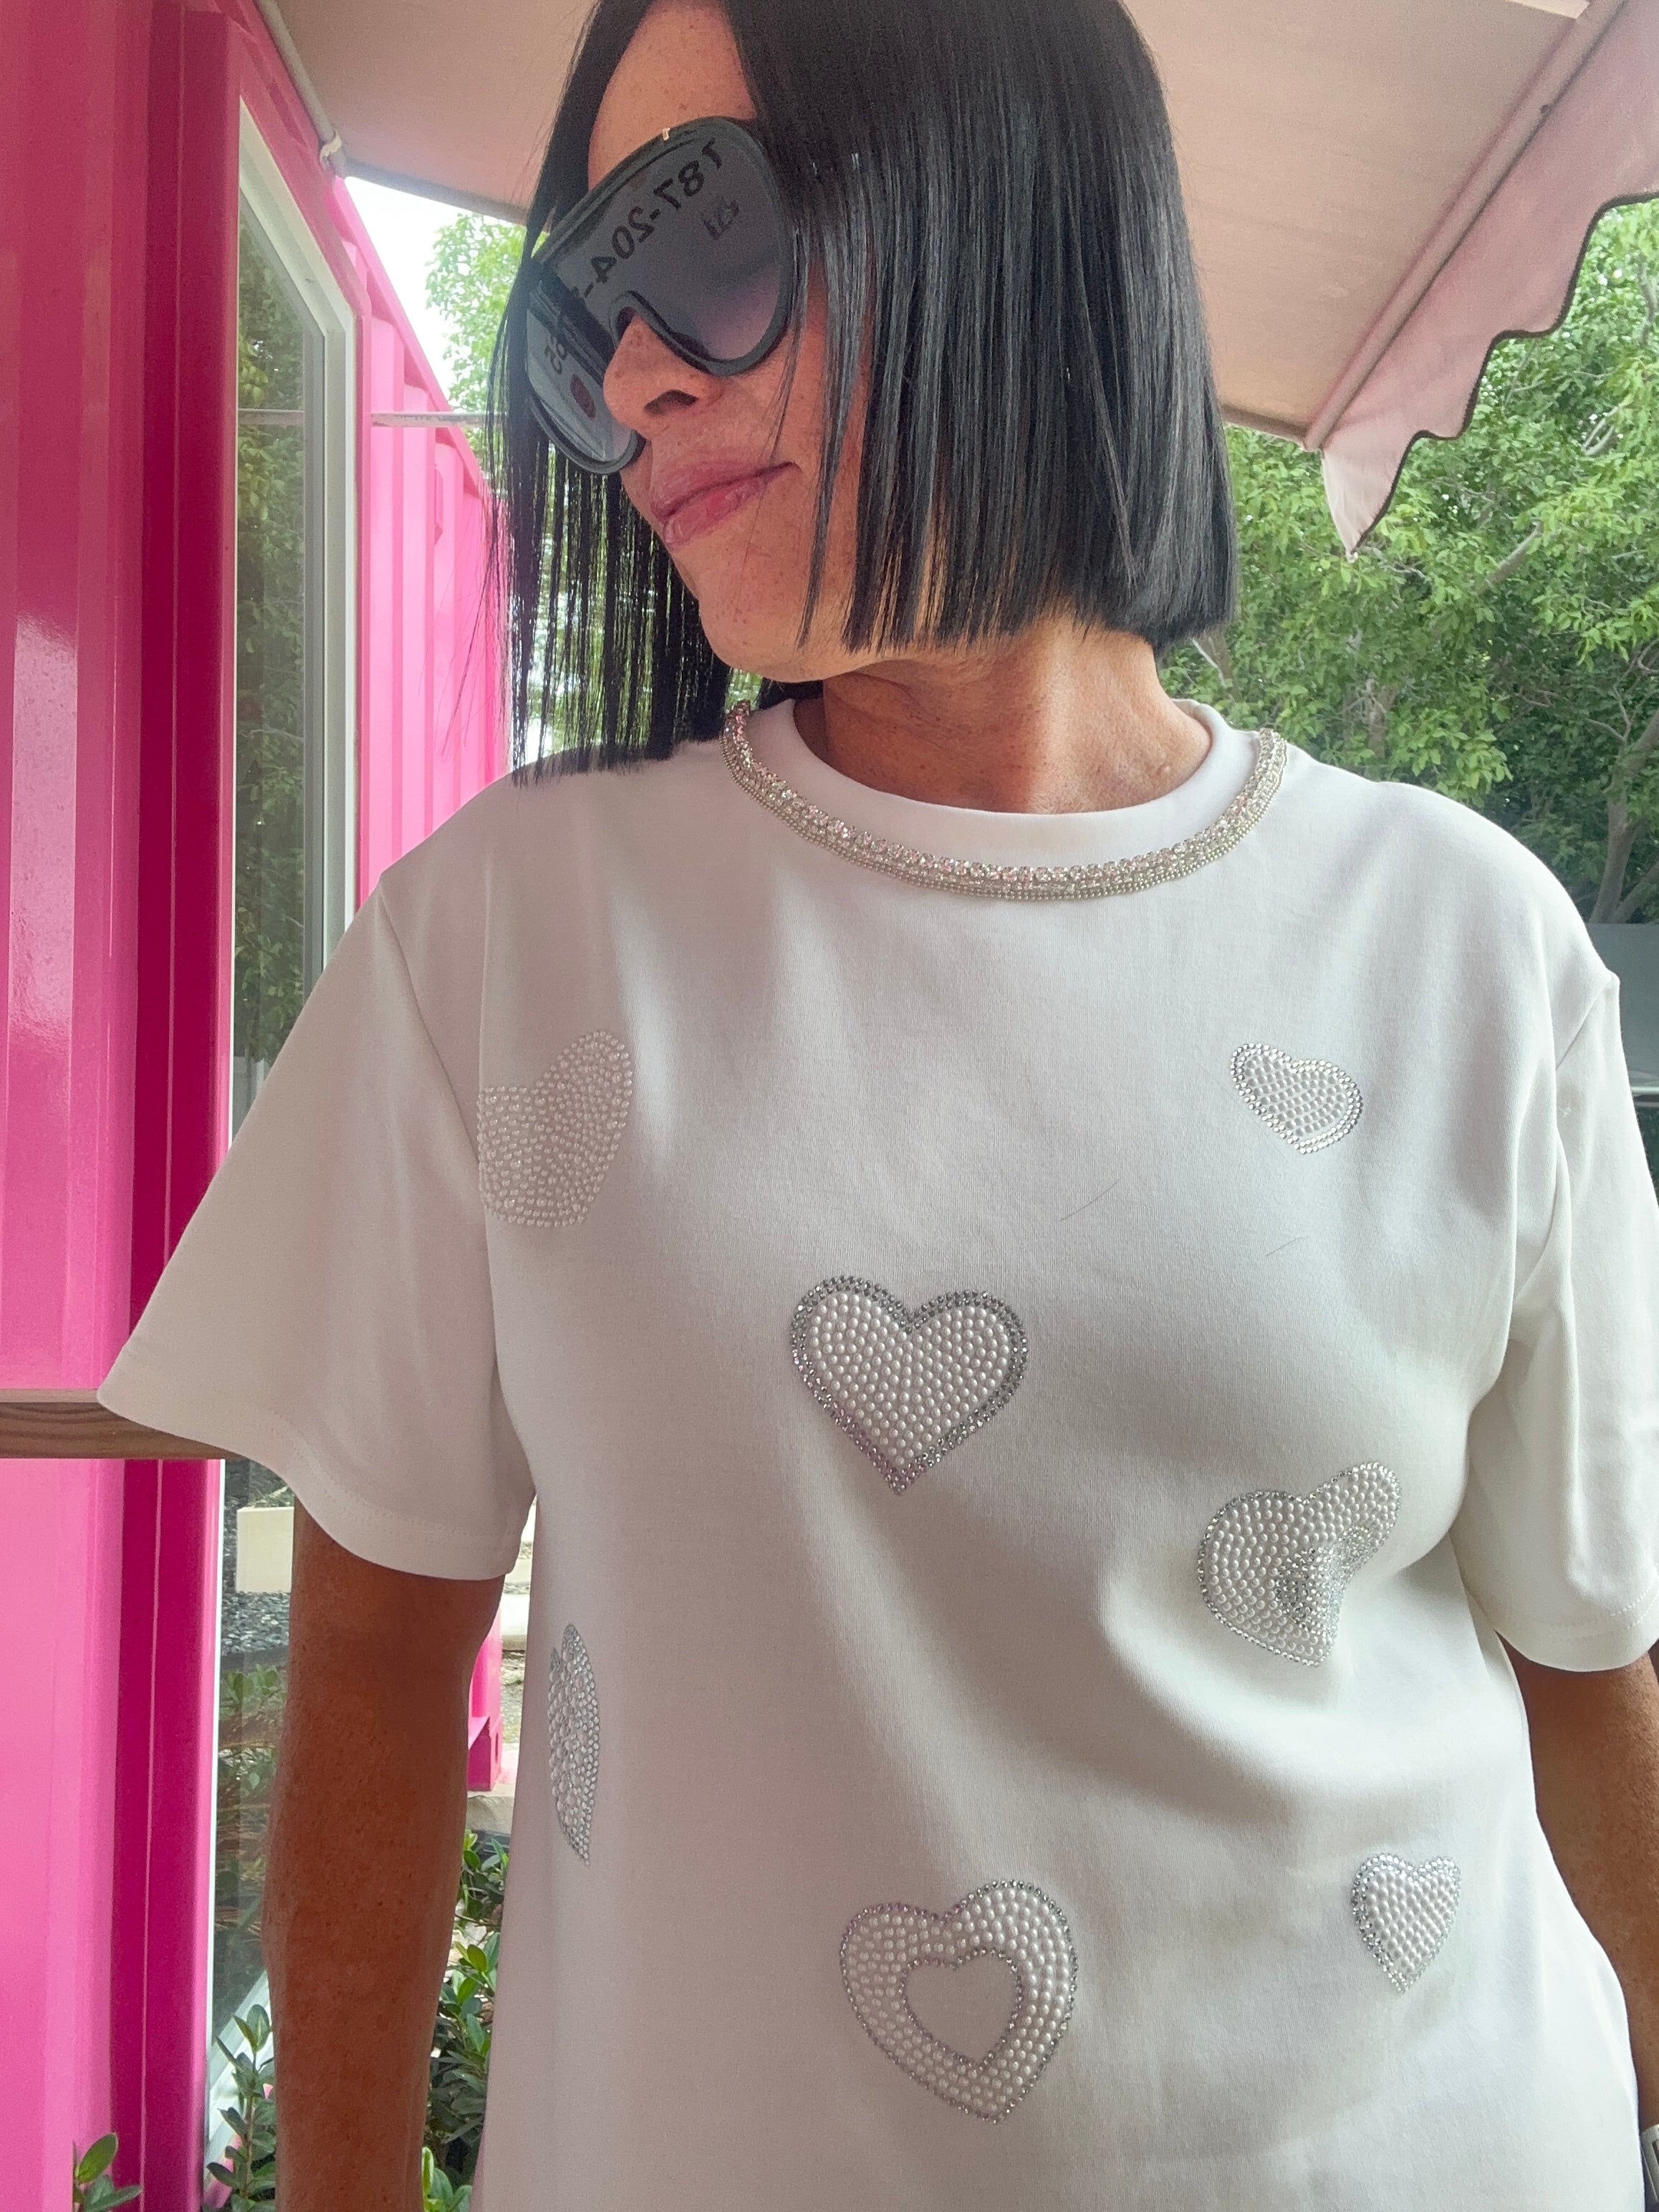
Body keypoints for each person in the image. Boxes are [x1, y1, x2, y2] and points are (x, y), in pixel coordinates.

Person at [100, 0, 1659, 2203]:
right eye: (584, 317)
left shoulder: (1465, 942)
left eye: (701, 235)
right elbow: (365, 1675)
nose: (639, 377)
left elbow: (1594, 1666)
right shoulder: (505, 945)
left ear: (1022, 198)